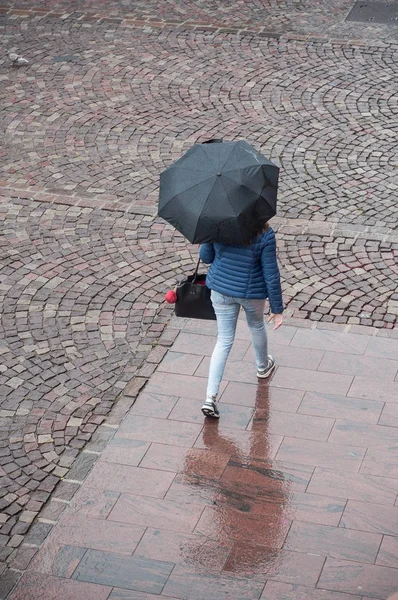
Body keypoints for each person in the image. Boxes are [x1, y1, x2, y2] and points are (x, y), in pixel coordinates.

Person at [199, 222, 283, 418]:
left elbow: (206, 257)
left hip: (220, 289)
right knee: (256, 325)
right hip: (252, 293)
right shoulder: (265, 234)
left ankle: (210, 398)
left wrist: (208, 234)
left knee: (224, 340)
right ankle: (262, 366)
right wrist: (277, 308)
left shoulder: (217, 224)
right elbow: (271, 274)